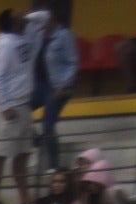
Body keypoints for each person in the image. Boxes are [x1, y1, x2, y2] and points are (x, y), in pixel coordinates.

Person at [0, 8, 42, 204]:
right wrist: (4, 105)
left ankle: (25, 198)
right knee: (0, 154)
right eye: (17, 15)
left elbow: (43, 17)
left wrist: (25, 18)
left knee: (23, 153)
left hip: (25, 104)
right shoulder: (4, 44)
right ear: (11, 22)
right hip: (9, 107)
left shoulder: (24, 35)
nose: (22, 14)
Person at [31, 5, 78, 173]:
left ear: (51, 19)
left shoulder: (64, 35)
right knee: (21, 109)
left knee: (47, 123)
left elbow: (73, 62)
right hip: (40, 84)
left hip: (57, 85)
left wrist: (64, 85)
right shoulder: (38, 36)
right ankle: (36, 141)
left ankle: (54, 165)